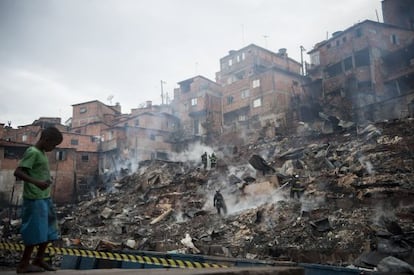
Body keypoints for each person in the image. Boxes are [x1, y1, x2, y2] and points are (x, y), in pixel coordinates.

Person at [14, 126, 63, 273]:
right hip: (34, 199)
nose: (53, 148)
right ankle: (23, 264)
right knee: (34, 231)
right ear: (46, 140)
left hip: (44, 198)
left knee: (50, 231)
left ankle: (39, 260)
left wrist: (46, 180)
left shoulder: (41, 153)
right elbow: (18, 172)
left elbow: (37, 172)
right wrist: (37, 183)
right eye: (53, 145)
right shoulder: (32, 152)